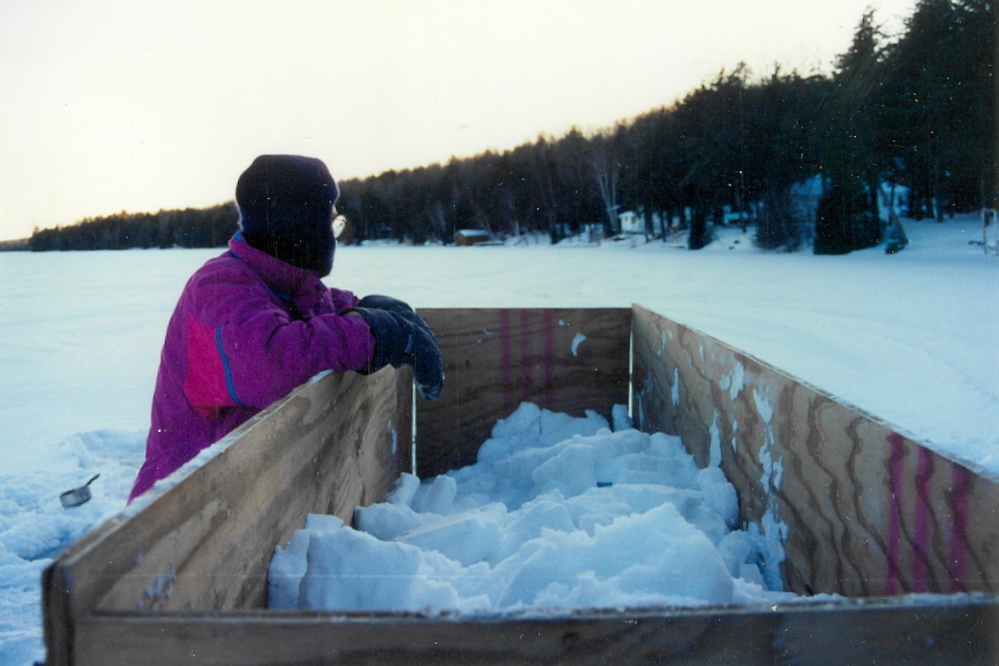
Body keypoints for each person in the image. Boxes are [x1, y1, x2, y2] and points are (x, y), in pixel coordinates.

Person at [128, 154, 443, 501]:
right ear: (299, 227)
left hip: (239, 498)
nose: (333, 235)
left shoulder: (283, 284)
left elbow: (324, 309)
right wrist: (370, 332)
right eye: (329, 221)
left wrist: (370, 308)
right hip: (179, 514)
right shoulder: (218, 289)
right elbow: (272, 362)